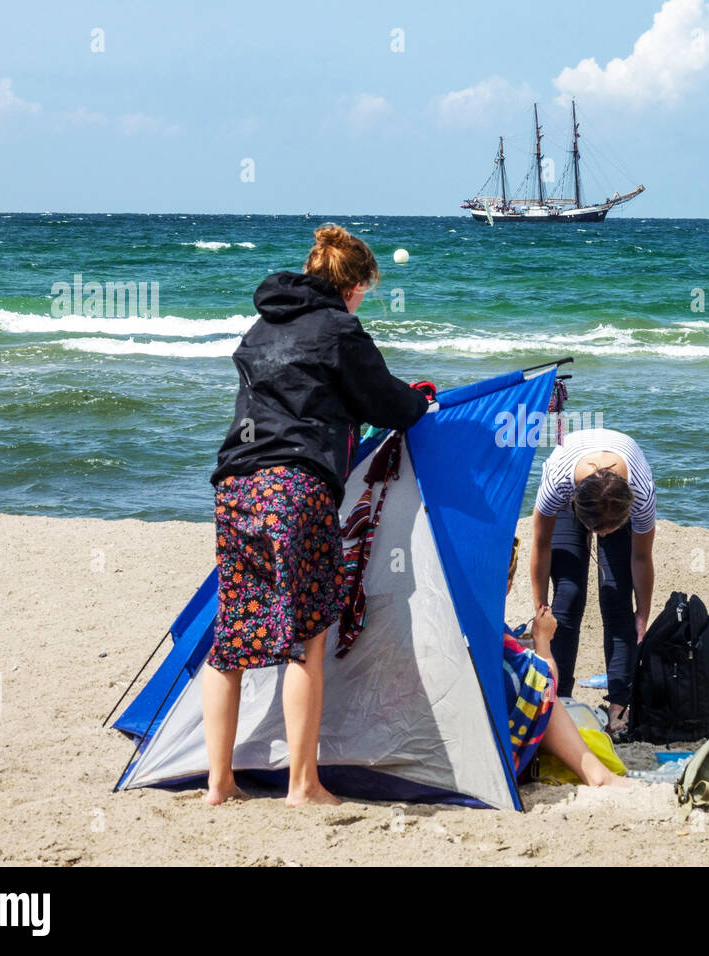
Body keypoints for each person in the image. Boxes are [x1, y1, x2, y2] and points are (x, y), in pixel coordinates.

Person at [202, 225, 432, 806]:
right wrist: (420, 401)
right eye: (364, 291)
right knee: (306, 638)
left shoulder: (262, 326)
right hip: (295, 489)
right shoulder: (339, 328)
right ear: (353, 285)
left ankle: (218, 784)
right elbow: (387, 402)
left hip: (235, 486)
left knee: (231, 640)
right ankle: (303, 785)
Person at [527, 427, 657, 737]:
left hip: (617, 495)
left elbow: (641, 558)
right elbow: (541, 544)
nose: (604, 536)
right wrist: (539, 606)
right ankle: (559, 696)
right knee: (568, 594)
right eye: (598, 530)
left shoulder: (641, 493)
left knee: (617, 598)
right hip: (575, 489)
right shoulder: (557, 484)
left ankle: (619, 704)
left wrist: (644, 612)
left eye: (610, 529)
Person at [504, 538, 627, 787]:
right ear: (506, 584)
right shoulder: (490, 633)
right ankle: (597, 775)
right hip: (489, 755)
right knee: (544, 689)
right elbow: (546, 685)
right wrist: (543, 642)